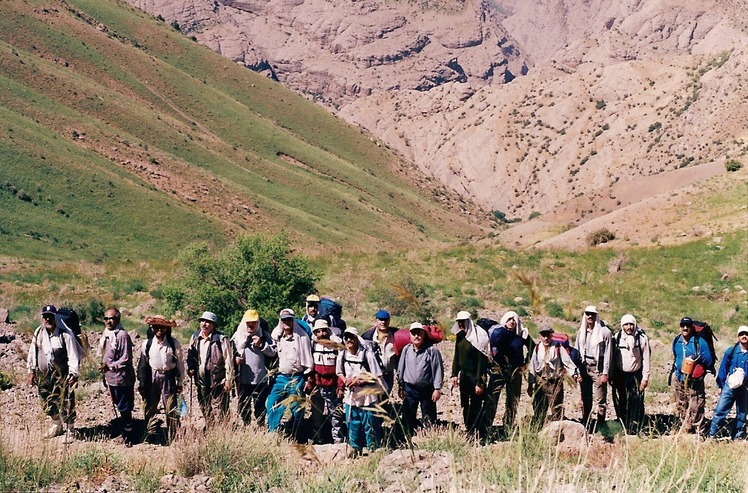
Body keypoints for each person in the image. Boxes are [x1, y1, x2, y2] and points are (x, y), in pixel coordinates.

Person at [27, 305, 82, 441]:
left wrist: (73, 373)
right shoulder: (39, 333)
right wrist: (31, 371)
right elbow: (33, 353)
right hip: (43, 376)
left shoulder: (65, 335)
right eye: (45, 316)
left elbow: (73, 355)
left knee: (66, 401)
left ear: (55, 317)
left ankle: (70, 429)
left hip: (62, 376)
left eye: (50, 316)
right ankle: (57, 425)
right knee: (47, 401)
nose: (48, 319)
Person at [266, 308, 313, 440]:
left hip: (297, 377)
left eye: (289, 319)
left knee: (297, 408)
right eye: (284, 320)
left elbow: (308, 361)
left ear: (293, 320)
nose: (286, 322)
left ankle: (297, 435)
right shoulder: (279, 337)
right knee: (272, 403)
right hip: (281, 378)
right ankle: (274, 433)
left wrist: (308, 379)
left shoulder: (302, 338)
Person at [486, 311, 535, 437]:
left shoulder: (521, 334)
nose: (512, 322)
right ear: (505, 320)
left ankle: (507, 427)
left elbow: (533, 347)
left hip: (515, 371)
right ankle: (486, 427)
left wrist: (526, 362)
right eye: (509, 319)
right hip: (499, 370)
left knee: (513, 400)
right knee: (492, 399)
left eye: (514, 320)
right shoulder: (498, 333)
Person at [337, 326, 385, 455]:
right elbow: (339, 372)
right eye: (346, 337)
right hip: (350, 397)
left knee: (370, 424)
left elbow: (376, 375)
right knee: (352, 424)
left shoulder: (367, 354)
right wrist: (346, 380)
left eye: (351, 337)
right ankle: (355, 449)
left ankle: (372, 449)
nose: (348, 340)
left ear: (357, 338)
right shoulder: (342, 354)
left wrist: (359, 381)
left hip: (367, 396)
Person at [137, 315, 185, 443]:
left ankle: (174, 436)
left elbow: (180, 363)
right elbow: (143, 364)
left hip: (168, 377)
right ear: (152, 328)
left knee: (171, 407)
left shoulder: (173, 344)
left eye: (162, 327)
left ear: (166, 328)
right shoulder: (147, 344)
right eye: (156, 327)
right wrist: (142, 383)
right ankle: (150, 434)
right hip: (152, 378)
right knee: (150, 407)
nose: (159, 329)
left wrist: (180, 381)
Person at [528, 326, 580, 429]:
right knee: (539, 408)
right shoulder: (538, 348)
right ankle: (538, 431)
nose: (546, 338)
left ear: (552, 336)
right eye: (543, 336)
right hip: (541, 382)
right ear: (540, 337)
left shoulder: (558, 347)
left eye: (548, 335)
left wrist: (574, 373)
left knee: (557, 408)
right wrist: (530, 383)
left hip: (555, 383)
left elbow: (567, 362)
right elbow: (533, 366)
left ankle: (558, 433)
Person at [231, 309, 277, 426]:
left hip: (260, 378)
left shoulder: (264, 335)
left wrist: (262, 345)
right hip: (242, 378)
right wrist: (235, 359)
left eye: (254, 323)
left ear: (258, 323)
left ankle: (260, 425)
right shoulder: (237, 336)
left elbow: (274, 352)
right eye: (248, 323)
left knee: (260, 404)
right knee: (243, 404)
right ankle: (246, 425)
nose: (251, 325)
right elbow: (228, 354)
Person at [397, 322, 444, 436]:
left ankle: (430, 436)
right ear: (410, 336)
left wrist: (437, 388)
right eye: (414, 334)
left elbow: (438, 369)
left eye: (419, 333)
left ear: (424, 335)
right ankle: (407, 436)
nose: (417, 336)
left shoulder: (432, 351)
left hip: (427, 388)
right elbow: (401, 368)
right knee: (408, 414)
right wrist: (401, 385)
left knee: (429, 415)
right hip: (410, 388)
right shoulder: (406, 350)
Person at [187, 311, 233, 426]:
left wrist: (228, 379)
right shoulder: (195, 337)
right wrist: (190, 367)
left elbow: (228, 360)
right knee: (204, 404)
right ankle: (210, 426)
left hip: (218, 379)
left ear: (213, 325)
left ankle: (222, 429)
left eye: (208, 322)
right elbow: (190, 355)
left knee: (220, 406)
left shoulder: (221, 339)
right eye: (202, 321)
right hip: (201, 379)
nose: (204, 324)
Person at [450, 311, 490, 441]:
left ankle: (478, 432)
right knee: (464, 404)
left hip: (476, 376)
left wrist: (479, 382)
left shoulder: (478, 337)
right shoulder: (460, 336)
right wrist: (454, 374)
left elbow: (481, 362)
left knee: (476, 405)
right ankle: (469, 428)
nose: (460, 324)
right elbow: (457, 356)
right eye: (459, 322)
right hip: (464, 376)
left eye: (463, 322)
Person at [671, 317, 714, 434]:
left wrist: (696, 366)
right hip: (680, 378)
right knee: (681, 404)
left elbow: (708, 361)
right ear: (680, 327)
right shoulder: (677, 341)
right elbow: (675, 355)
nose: (685, 328)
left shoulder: (699, 342)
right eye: (683, 326)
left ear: (692, 327)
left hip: (694, 380)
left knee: (696, 405)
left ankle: (699, 430)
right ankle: (686, 427)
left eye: (688, 326)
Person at [99, 308, 136, 443]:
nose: (109, 321)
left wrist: (109, 366)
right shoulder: (107, 334)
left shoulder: (122, 335)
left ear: (118, 319)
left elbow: (126, 359)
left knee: (124, 406)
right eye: (106, 318)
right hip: (111, 378)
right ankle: (123, 430)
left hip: (122, 378)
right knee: (118, 404)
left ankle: (129, 436)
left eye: (112, 318)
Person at [306, 318, 345, 444]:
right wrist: (310, 382)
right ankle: (317, 438)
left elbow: (341, 368)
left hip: (332, 386)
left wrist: (340, 387)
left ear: (328, 331)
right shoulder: (313, 345)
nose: (321, 334)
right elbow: (310, 366)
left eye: (323, 330)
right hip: (317, 385)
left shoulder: (336, 346)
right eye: (318, 331)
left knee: (336, 415)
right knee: (316, 414)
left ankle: (337, 440)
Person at [611, 314, 651, 434]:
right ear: (622, 325)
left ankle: (636, 426)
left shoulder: (642, 339)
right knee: (622, 400)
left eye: (631, 324)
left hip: (636, 375)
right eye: (626, 325)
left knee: (636, 400)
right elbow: (612, 358)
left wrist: (645, 378)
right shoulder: (617, 338)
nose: (629, 327)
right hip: (620, 375)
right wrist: (611, 375)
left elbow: (646, 359)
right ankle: (623, 424)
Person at [707, 326, 748, 440]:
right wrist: (720, 385)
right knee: (720, 411)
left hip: (744, 388)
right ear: (738, 336)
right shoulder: (731, 351)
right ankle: (712, 435)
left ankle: (738, 437)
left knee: (742, 413)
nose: (744, 336)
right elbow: (723, 368)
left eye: (746, 334)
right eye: (742, 334)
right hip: (729, 386)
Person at [575, 305, 612, 429]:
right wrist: (577, 371)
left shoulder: (604, 332)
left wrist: (605, 373)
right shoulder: (581, 332)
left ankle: (601, 424)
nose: (590, 316)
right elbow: (576, 351)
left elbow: (608, 354)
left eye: (592, 314)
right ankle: (586, 422)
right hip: (584, 367)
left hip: (598, 368)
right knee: (585, 397)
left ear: (596, 316)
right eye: (587, 314)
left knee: (600, 398)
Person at [362, 310, 399, 392]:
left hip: (388, 374)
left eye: (385, 320)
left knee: (386, 396)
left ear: (389, 321)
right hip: (373, 374)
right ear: (376, 320)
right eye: (380, 320)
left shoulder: (395, 335)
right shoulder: (367, 337)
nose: (383, 322)